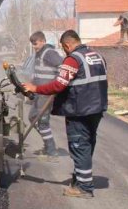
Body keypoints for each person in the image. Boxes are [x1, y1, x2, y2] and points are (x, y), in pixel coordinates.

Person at [23, 30, 108, 198]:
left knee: (79, 146)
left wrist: (35, 88)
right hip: (97, 108)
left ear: (67, 45)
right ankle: (80, 179)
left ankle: (84, 188)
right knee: (87, 145)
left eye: (64, 48)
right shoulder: (97, 56)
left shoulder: (73, 59)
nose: (64, 51)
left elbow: (58, 85)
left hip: (80, 110)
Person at [28, 31, 63, 156]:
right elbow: (38, 74)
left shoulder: (49, 53)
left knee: (42, 122)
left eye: (36, 43)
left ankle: (51, 150)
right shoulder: (39, 54)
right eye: (32, 44)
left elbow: (63, 67)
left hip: (47, 94)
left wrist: (56, 86)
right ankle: (49, 144)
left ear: (43, 41)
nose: (34, 46)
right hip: (40, 92)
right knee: (32, 117)